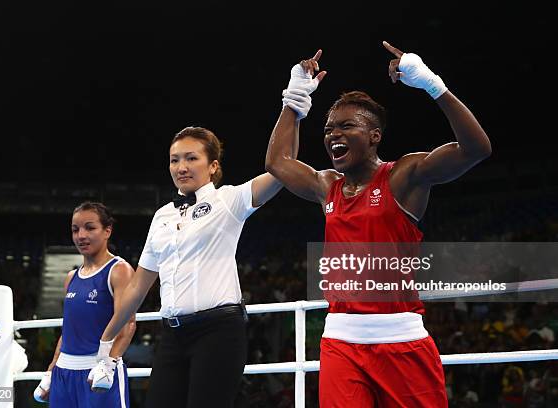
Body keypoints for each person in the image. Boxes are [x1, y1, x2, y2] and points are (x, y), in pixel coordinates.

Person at [265, 42, 492, 407]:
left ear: (374, 137)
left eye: (346, 127)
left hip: (402, 340)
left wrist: (434, 86)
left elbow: (476, 149)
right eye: (328, 129)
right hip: (341, 342)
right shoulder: (327, 186)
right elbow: (278, 162)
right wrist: (292, 103)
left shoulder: (405, 176)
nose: (333, 135)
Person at [88, 126, 284, 407]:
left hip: (218, 333)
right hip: (172, 336)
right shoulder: (161, 216)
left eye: (191, 158)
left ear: (213, 166)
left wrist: (294, 103)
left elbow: (280, 169)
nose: (181, 167)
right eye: (175, 159)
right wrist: (106, 348)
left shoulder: (228, 200)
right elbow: (137, 287)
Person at [33, 201, 136, 407]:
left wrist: (108, 363)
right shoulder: (71, 277)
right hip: (64, 372)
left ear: (107, 231)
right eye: (75, 229)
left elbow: (128, 324)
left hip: (98, 369)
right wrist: (51, 370)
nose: (81, 235)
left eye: (90, 228)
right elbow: (68, 330)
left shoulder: (119, 270)